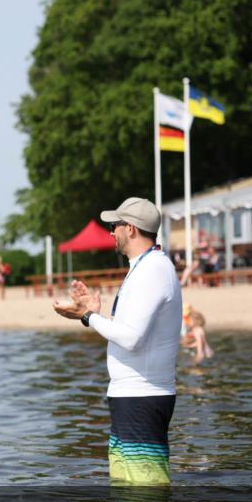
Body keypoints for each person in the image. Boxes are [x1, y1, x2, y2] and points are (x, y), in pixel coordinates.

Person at [53, 197, 181, 486]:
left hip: (142, 396)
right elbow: (131, 330)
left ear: (131, 229)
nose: (112, 232)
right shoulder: (144, 268)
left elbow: (132, 338)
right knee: (127, 492)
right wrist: (97, 313)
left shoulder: (153, 270)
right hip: (130, 396)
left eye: (115, 226)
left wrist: (87, 317)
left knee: (146, 494)